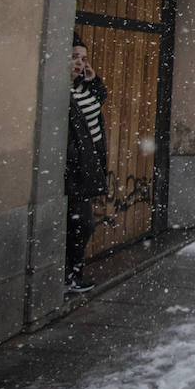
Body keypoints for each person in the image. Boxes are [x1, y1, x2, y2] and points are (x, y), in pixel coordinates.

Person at [66, 34, 109, 293]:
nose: (80, 63)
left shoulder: (82, 87)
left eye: (83, 58)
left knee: (81, 224)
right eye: (73, 57)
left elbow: (99, 98)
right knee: (81, 224)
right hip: (75, 169)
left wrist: (93, 81)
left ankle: (73, 275)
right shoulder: (63, 91)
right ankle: (71, 277)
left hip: (87, 165)